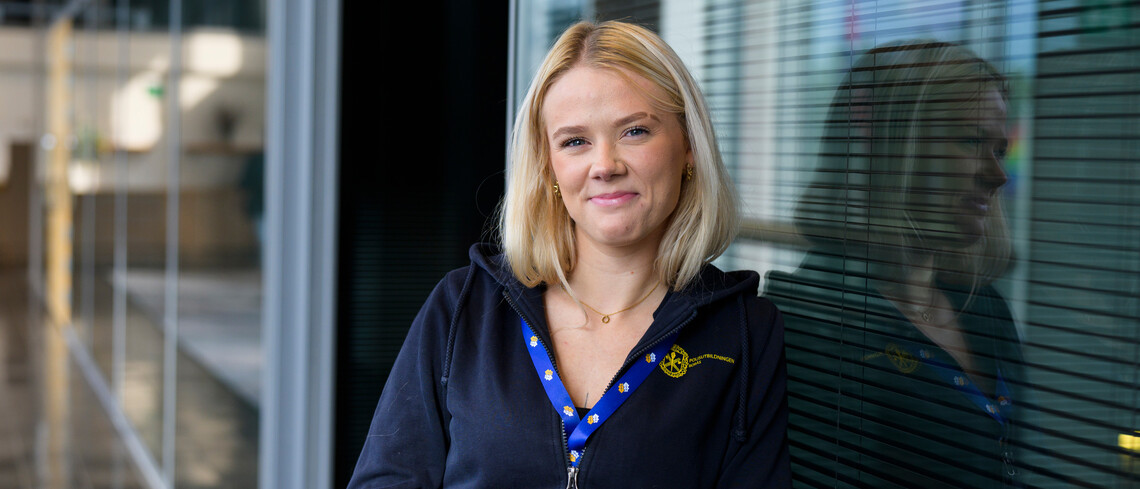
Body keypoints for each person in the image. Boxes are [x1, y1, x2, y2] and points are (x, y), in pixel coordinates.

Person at [348, 20, 790, 488]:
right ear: (550, 167)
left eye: (635, 131)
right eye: (575, 141)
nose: (605, 165)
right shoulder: (463, 307)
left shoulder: (745, 333)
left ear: (688, 148)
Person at [764, 41, 1025, 488]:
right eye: (971, 141)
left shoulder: (985, 309)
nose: (997, 175)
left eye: (999, 150)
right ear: (888, 149)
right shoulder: (812, 323)